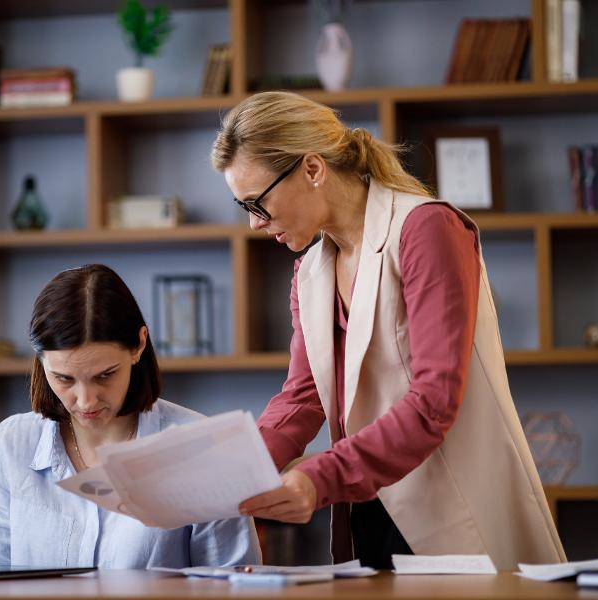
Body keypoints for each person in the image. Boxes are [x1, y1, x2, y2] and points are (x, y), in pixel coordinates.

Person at [211, 91, 565, 570]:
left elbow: (433, 402)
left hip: (452, 516)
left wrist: (318, 477)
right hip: (367, 512)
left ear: (312, 169)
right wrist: (228, 475)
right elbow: (302, 398)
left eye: (258, 202)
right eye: (243, 206)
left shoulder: (426, 228)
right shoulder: (310, 271)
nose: (254, 223)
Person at [0, 264, 261, 568]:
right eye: (64, 379)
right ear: (41, 361)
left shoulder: (200, 447)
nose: (86, 401)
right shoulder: (13, 444)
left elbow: (235, 586)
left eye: (105, 375)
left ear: (138, 345)